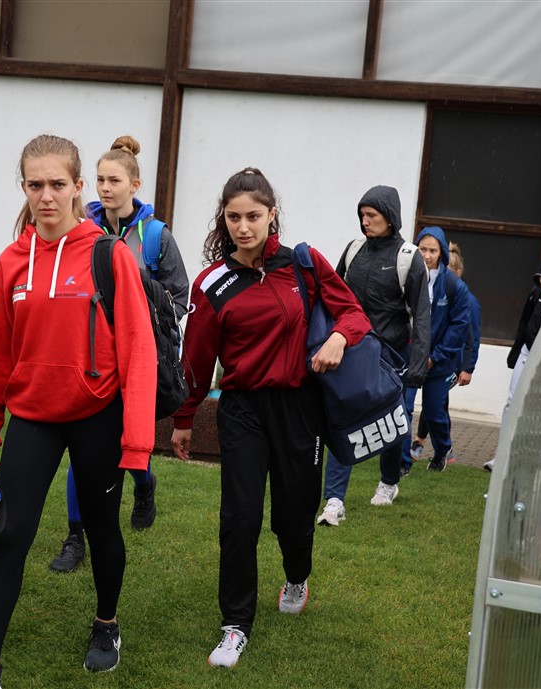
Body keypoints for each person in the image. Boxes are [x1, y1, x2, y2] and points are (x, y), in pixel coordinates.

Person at [0, 134, 157, 688]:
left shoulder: (109, 255)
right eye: (35, 185)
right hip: (33, 417)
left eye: (58, 184)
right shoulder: (11, 263)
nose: (47, 196)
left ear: (79, 187)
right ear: (24, 188)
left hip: (96, 415)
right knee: (11, 533)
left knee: (102, 529)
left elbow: (138, 352)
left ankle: (106, 623)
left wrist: (136, 445)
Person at [170, 168, 370, 668]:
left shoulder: (304, 263)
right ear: (223, 218)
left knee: (295, 517)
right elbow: (197, 359)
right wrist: (184, 417)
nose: (243, 227)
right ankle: (235, 625)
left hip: (300, 408)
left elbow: (354, 314)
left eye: (253, 216)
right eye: (233, 217)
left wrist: (339, 338)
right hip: (242, 410)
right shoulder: (212, 283)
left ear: (271, 215)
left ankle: (297, 577)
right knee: (239, 519)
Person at [49, 134, 189, 572]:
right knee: (82, 450)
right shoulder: (81, 228)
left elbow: (179, 299)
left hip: (136, 358)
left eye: (114, 180)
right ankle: (75, 537)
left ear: (134, 185)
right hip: (88, 358)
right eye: (100, 180)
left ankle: (144, 485)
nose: (105, 188)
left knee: (130, 444)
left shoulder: (155, 236)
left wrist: (140, 302)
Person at [316, 185, 429, 526]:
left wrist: (418, 364)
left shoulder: (409, 257)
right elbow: (331, 293)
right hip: (353, 351)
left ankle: (389, 482)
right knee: (344, 418)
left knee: (392, 423)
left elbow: (422, 315)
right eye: (362, 215)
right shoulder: (354, 251)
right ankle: (334, 501)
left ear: (389, 218)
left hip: (392, 355)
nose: (365, 221)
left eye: (372, 215)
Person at [484, 252, 541, 472]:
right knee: (511, 402)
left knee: (539, 407)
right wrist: (515, 354)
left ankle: (530, 456)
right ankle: (502, 455)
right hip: (527, 351)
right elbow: (524, 323)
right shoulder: (535, 293)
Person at [409, 241, 480, 470]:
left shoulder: (464, 297)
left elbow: (469, 335)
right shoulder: (421, 284)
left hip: (445, 363)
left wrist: (468, 367)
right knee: (413, 407)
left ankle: (439, 448)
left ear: (457, 272)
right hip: (420, 359)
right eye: (423, 250)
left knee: (435, 408)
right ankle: (412, 451)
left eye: (433, 251)